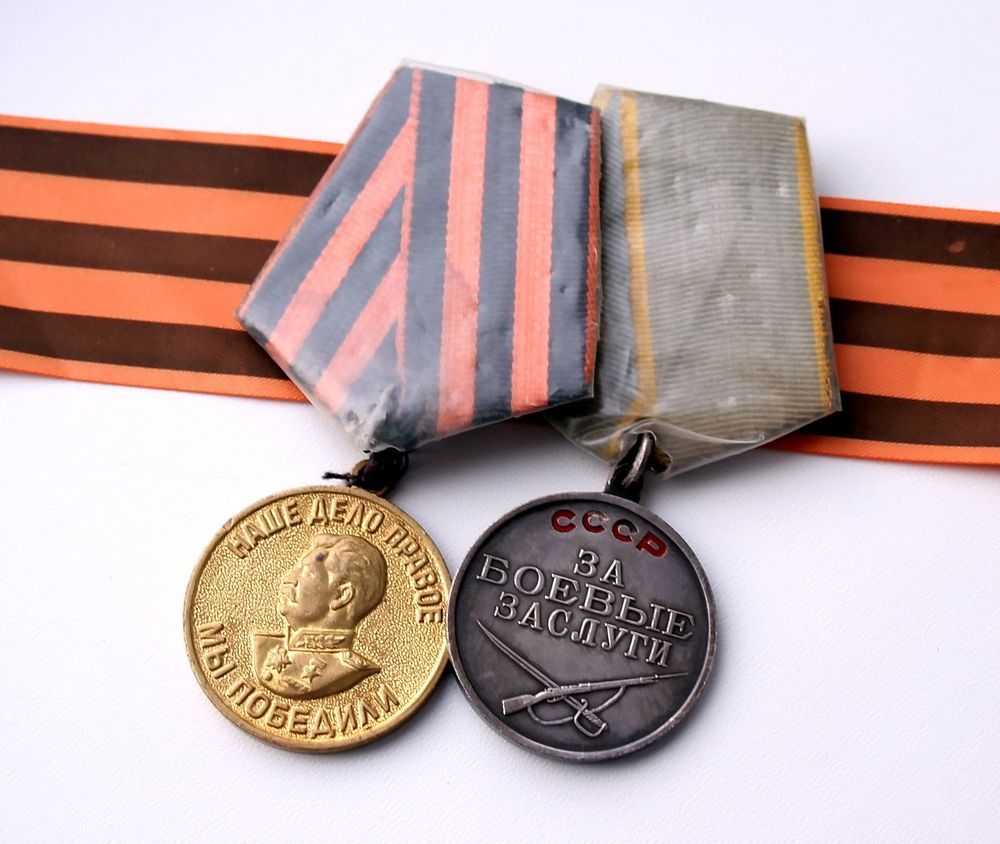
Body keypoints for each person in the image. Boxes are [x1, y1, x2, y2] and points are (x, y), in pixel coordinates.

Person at [253, 533, 387, 699]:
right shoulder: (264, 648)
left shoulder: (348, 670)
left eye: (307, 572)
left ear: (341, 596)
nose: (289, 579)